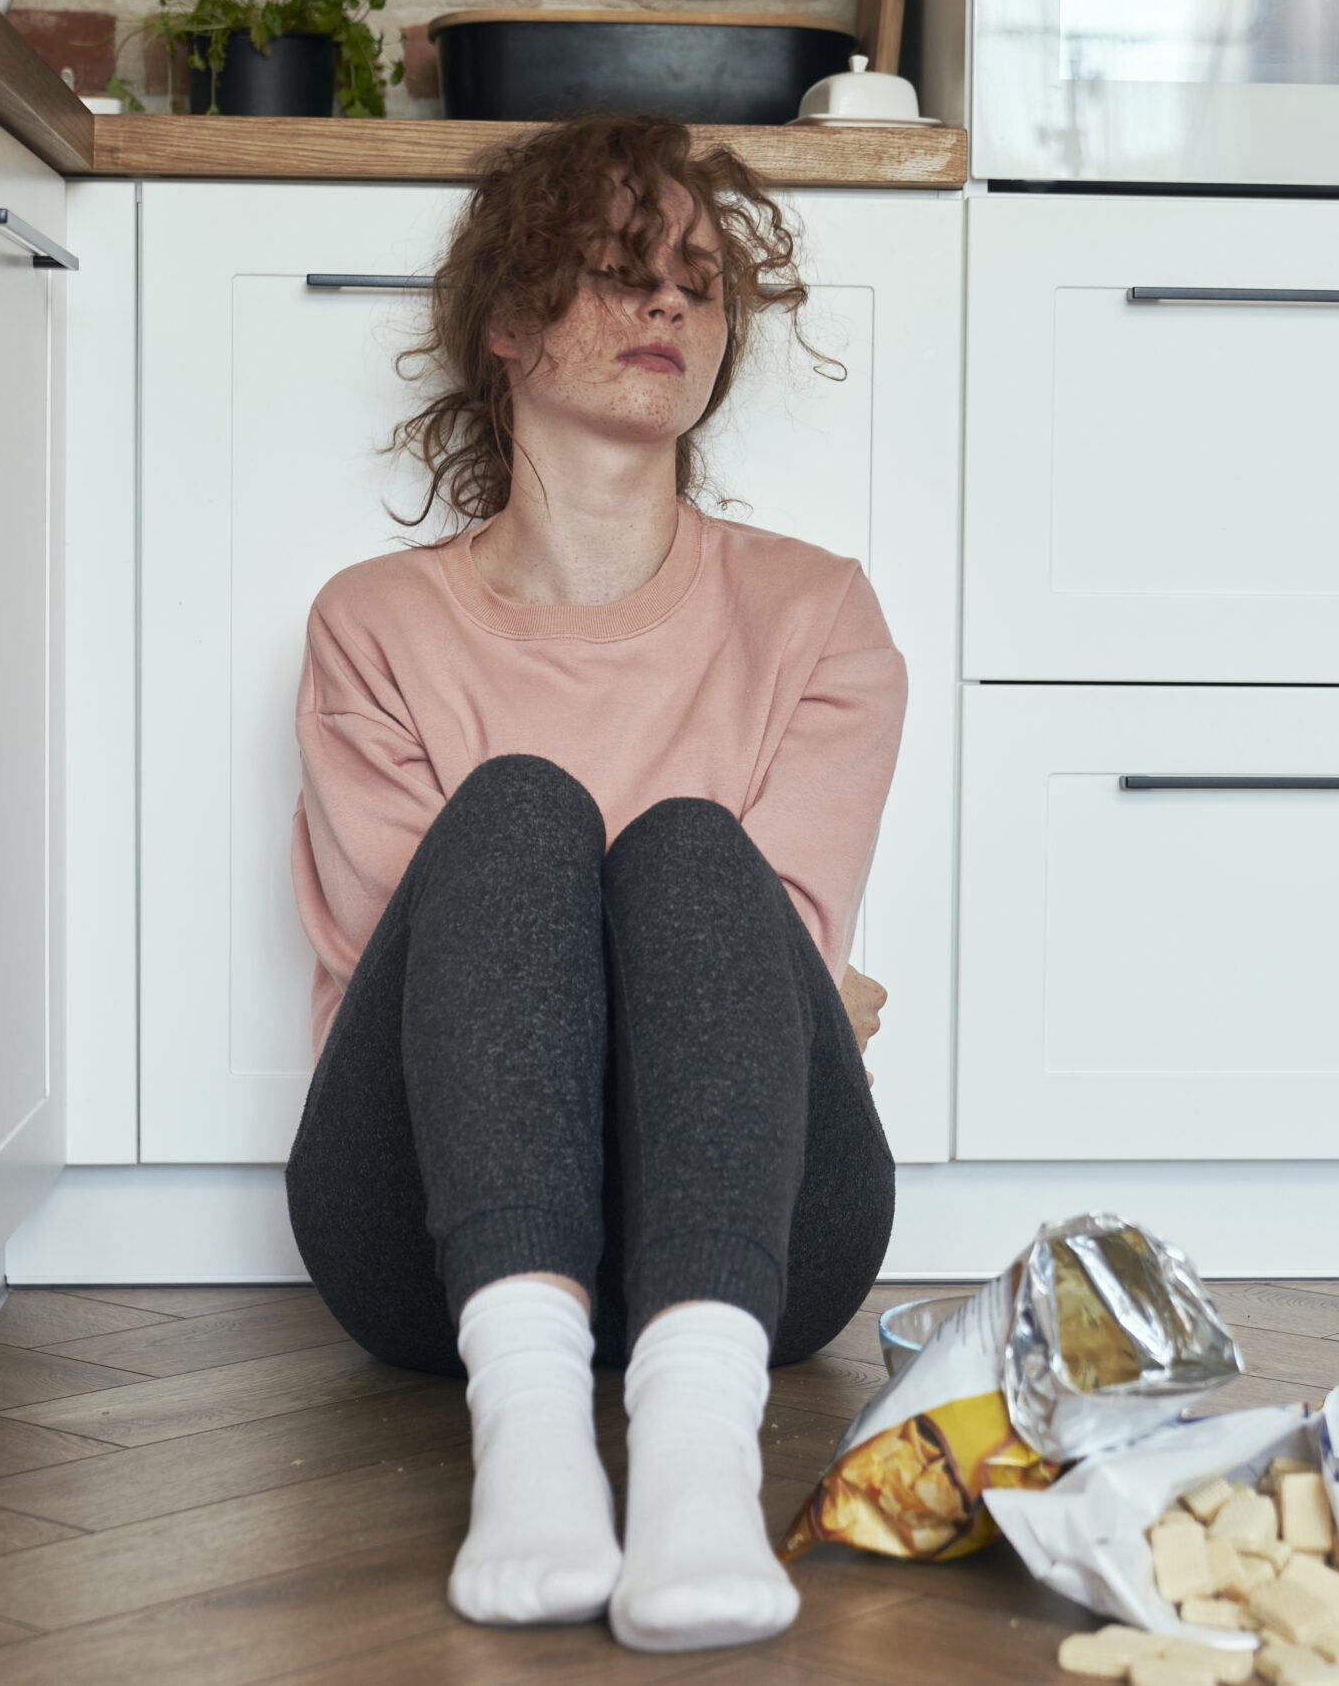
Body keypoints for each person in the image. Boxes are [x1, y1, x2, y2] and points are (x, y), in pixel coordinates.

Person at [281, 116, 905, 1654]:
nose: (669, 308)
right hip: (425, 1248)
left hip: (764, 1244)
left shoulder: (819, 615)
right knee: (518, 815)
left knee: (689, 849)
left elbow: (775, 955)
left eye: (697, 278)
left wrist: (773, 972)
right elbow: (430, 1007)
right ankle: (532, 1439)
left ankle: (698, 1456)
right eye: (618, 271)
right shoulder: (374, 626)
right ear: (505, 320)